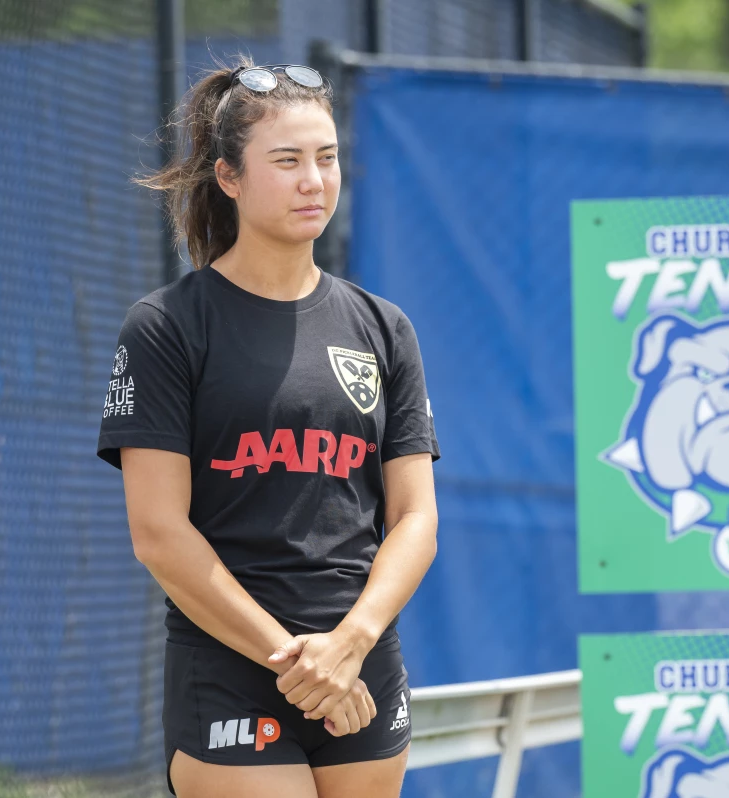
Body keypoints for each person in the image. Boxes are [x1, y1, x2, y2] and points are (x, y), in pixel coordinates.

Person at [97, 56, 440, 798]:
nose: (313, 180)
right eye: (286, 161)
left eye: (326, 157)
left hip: (359, 668)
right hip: (235, 672)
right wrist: (295, 658)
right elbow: (158, 531)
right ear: (228, 177)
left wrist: (349, 644)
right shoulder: (166, 328)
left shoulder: (384, 328)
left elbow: (415, 518)